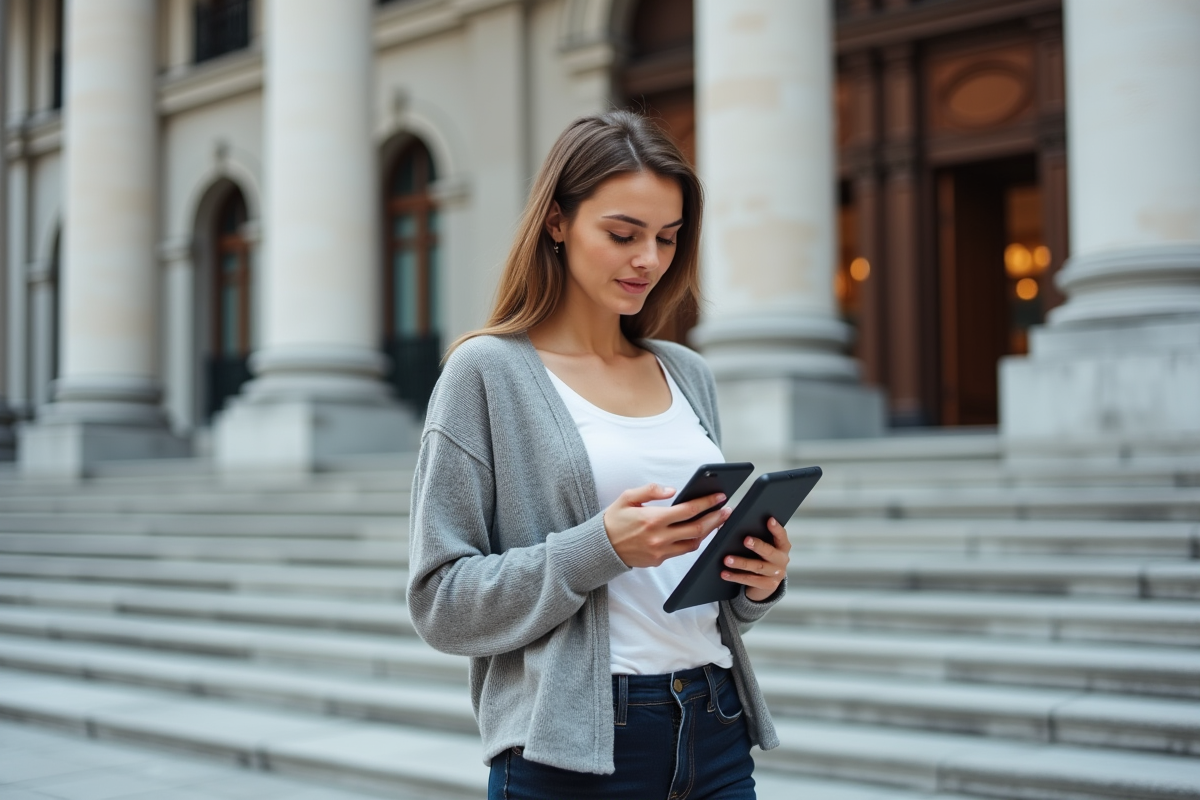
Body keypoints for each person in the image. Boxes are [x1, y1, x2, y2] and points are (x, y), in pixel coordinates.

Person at [407, 110, 791, 800]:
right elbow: (441, 602)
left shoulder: (685, 371)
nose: (648, 258)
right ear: (557, 221)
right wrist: (599, 547)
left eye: (667, 238)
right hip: (574, 752)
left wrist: (754, 581)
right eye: (623, 234)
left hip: (716, 724)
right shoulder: (486, 372)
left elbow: (688, 601)